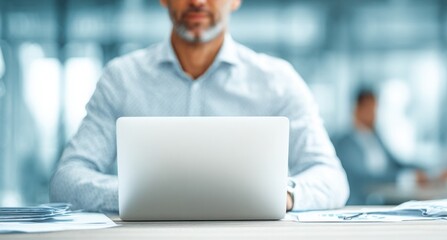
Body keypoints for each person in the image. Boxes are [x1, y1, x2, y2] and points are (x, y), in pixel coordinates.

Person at [50, 0, 349, 212]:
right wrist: (136, 196)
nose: (197, 1)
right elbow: (67, 178)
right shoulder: (122, 78)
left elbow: (330, 177)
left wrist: (281, 195)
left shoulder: (278, 80)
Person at [334, 89, 427, 205]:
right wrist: (405, 178)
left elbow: (395, 163)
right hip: (362, 203)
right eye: (369, 109)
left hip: (385, 197)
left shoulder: (375, 136)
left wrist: (423, 170)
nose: (373, 114)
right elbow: (363, 178)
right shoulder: (346, 143)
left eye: (375, 109)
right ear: (357, 109)